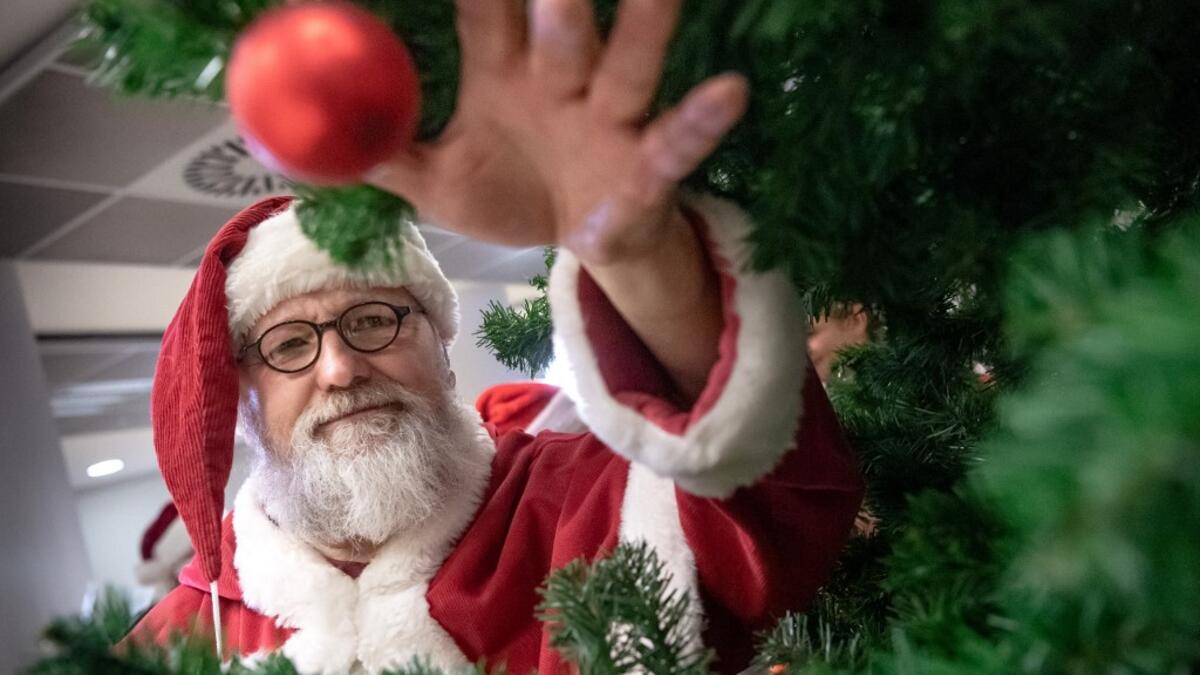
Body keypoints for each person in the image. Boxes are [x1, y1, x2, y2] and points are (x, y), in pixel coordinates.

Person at [125, 0, 864, 672]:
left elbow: (774, 507)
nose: (342, 367)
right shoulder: (173, 646)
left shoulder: (582, 501)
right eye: (289, 344)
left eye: (375, 319)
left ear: (441, 346)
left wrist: (632, 250)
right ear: (241, 395)